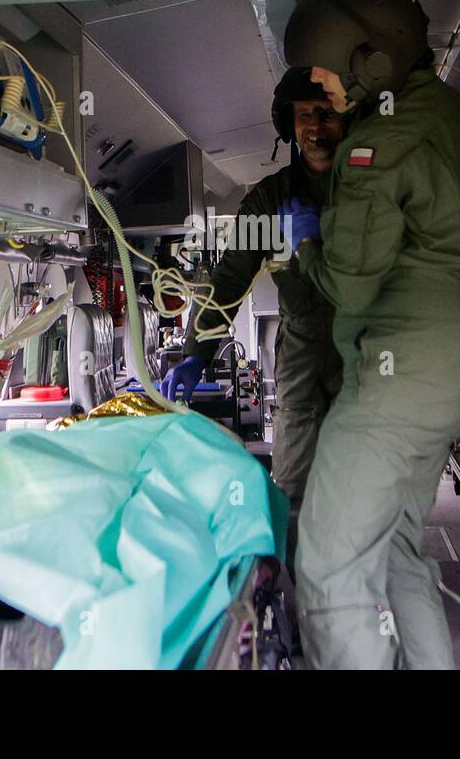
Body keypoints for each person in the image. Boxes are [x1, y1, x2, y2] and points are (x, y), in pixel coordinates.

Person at [279, 0, 460, 669]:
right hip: (455, 370)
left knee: (329, 571)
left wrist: (308, 243)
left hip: (397, 382)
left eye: (327, 70)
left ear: (370, 60)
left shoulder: (378, 143)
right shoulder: (457, 117)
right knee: (402, 551)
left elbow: (350, 284)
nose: (324, 87)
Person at [160, 68, 345, 557]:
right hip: (303, 351)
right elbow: (231, 278)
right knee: (296, 483)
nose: (316, 127)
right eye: (305, 116)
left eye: (325, 114)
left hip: (367, 348)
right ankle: (306, 602)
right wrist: (196, 350)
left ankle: (369, 601)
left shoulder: (372, 183)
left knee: (366, 486)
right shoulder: (271, 198)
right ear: (290, 126)